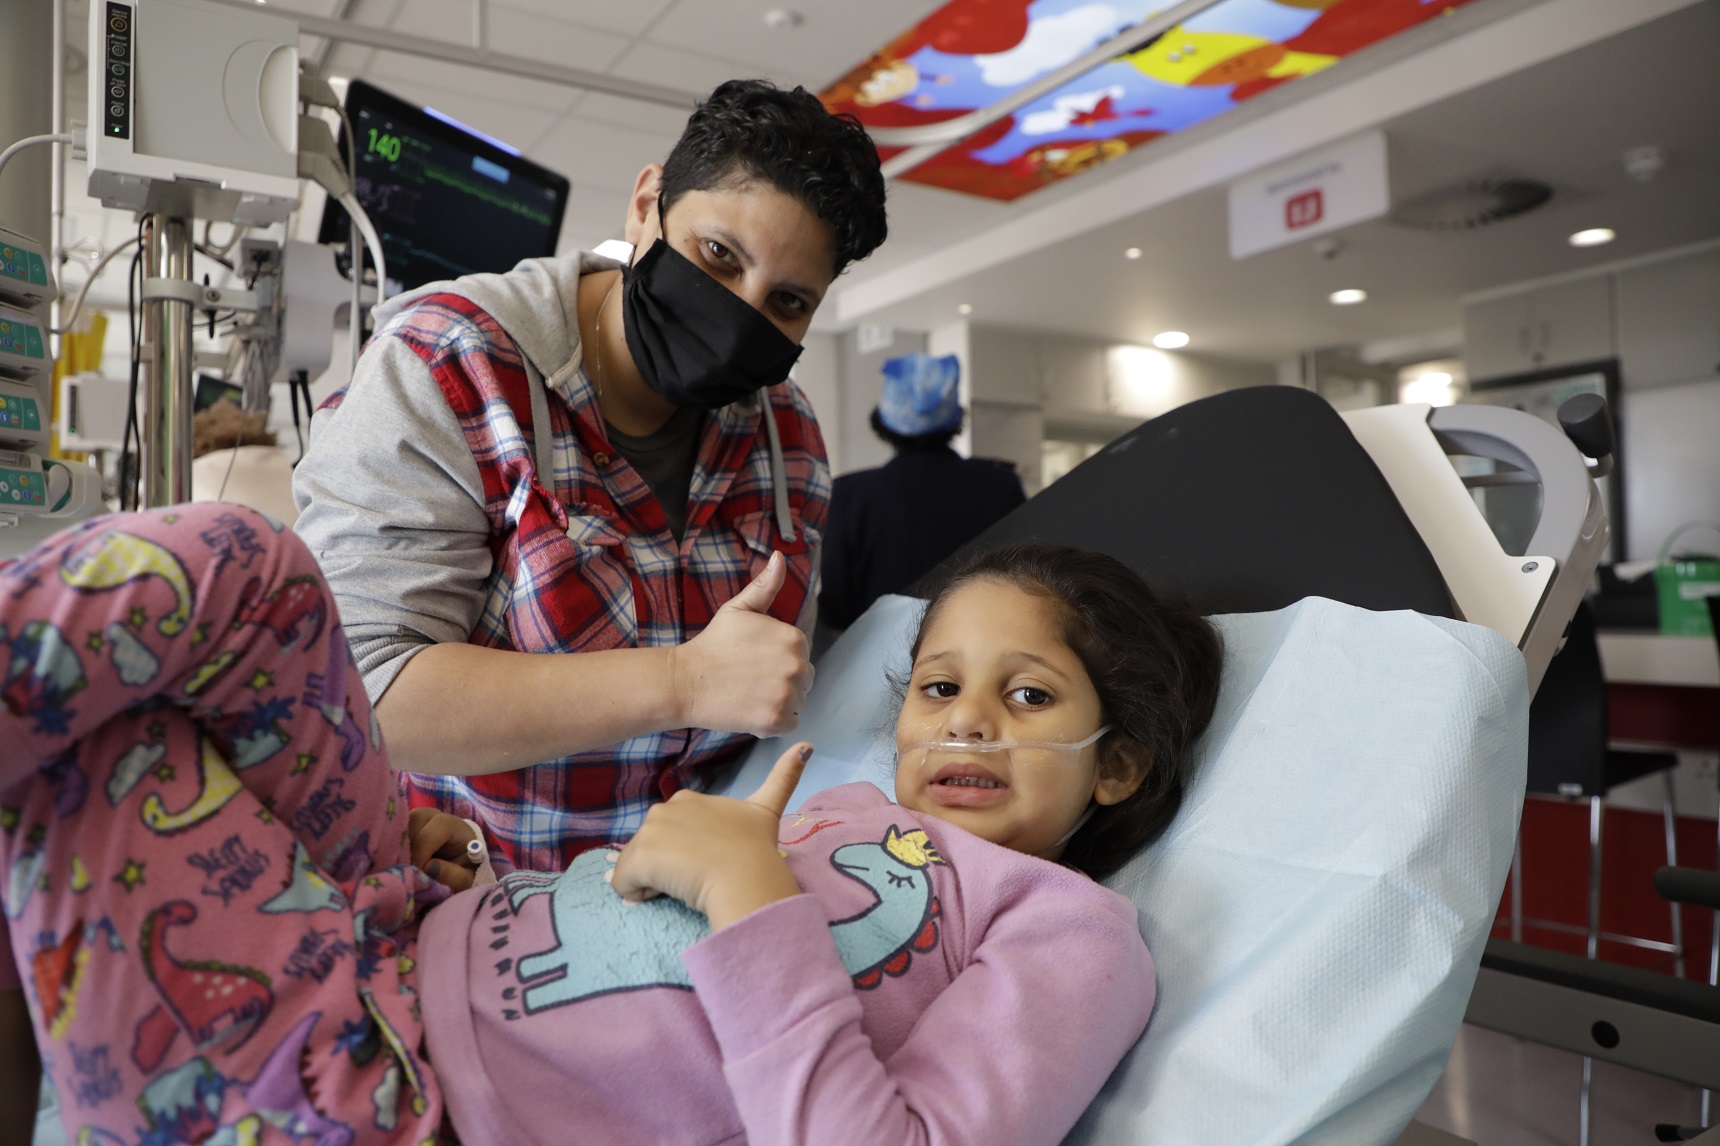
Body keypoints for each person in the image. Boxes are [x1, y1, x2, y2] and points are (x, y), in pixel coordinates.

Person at [4, 503, 1221, 1146]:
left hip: (377, 1100)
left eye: (1028, 697)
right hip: (384, 920)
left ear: (1115, 764)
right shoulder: (845, 804)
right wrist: (452, 883)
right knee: (241, 565)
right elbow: (618, 930)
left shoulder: (1071, 933)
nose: (962, 727)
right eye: (940, 689)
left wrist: (755, 902)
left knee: (115, 753)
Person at [292, 80, 889, 874]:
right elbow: (365, 690)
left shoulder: (785, 435)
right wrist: (681, 682)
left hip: (683, 904)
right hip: (470, 900)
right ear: (647, 204)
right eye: (718, 255)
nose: (737, 313)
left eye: (785, 301)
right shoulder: (450, 368)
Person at [818, 352, 1026, 630]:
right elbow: (1026, 578)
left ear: (884, 419)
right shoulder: (1000, 485)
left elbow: (836, 606)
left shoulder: (851, 496)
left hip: (877, 662)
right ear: (954, 417)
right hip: (981, 647)